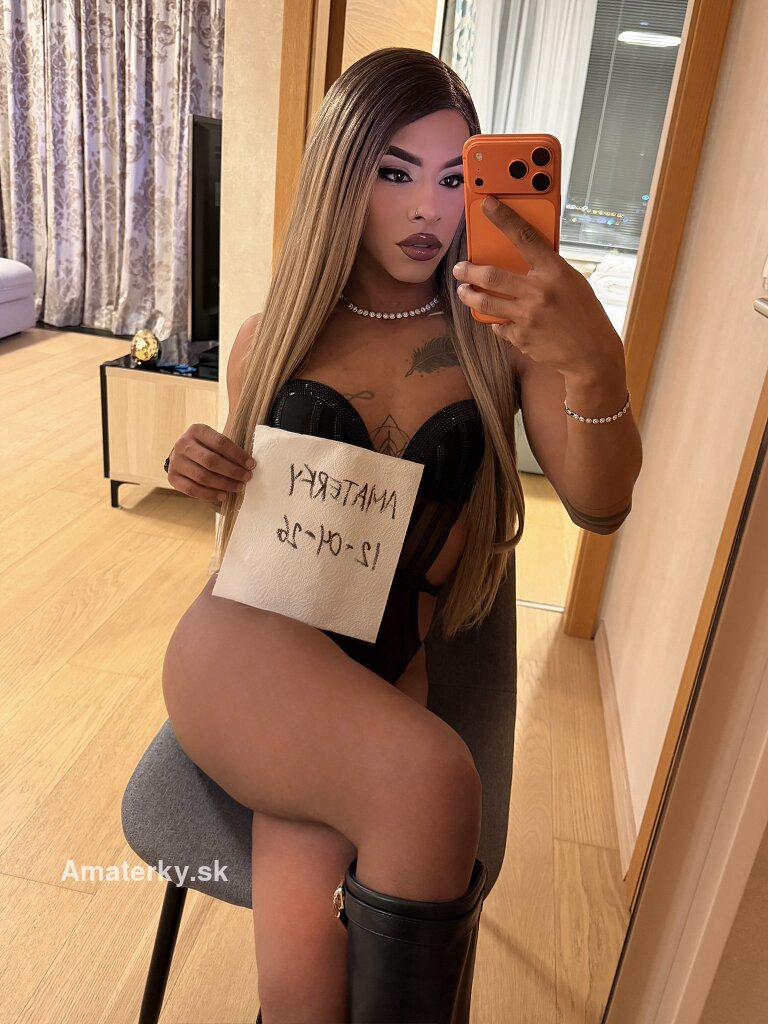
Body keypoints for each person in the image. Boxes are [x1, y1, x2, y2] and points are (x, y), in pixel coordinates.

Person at [162, 46, 641, 1024]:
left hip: (376, 685)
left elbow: (601, 504)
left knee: (306, 985)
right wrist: (201, 468)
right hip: (244, 649)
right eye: (394, 172)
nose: (429, 208)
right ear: (343, 177)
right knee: (432, 783)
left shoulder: (501, 347)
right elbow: (249, 531)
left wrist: (594, 365)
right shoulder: (271, 335)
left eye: (456, 178)